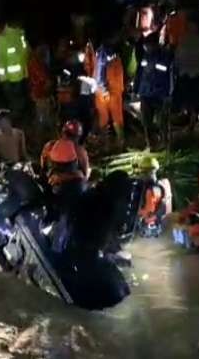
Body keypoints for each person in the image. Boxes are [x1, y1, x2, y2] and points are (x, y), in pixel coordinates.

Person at [40, 120, 91, 252]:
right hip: (70, 192)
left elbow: (43, 167)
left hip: (51, 188)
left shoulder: (49, 146)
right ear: (77, 136)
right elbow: (85, 175)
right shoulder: (79, 151)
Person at [135, 33, 174, 149]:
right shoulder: (145, 56)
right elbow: (139, 74)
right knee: (146, 122)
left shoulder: (166, 57)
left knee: (163, 121)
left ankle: (166, 144)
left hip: (161, 94)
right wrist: (136, 89)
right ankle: (150, 144)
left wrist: (169, 94)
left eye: (148, 45)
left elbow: (171, 76)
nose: (146, 47)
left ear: (155, 44)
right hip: (146, 93)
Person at [174, 16, 199, 129]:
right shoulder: (184, 39)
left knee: (194, 98)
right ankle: (187, 118)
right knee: (186, 97)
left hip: (195, 73)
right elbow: (179, 55)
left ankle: (193, 121)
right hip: (185, 72)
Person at [93, 35, 126, 145]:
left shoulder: (106, 52)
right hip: (109, 90)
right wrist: (103, 88)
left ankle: (108, 143)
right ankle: (118, 142)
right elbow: (99, 72)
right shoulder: (105, 53)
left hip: (108, 89)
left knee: (106, 117)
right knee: (114, 117)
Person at [0, 18, 30, 122]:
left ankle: (15, 120)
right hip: (15, 77)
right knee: (16, 102)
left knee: (16, 102)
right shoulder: (15, 35)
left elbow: (2, 58)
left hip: (15, 77)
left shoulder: (13, 36)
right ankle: (15, 120)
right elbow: (2, 58)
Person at [136, 157, 167, 238]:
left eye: (143, 172)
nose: (141, 175)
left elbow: (150, 209)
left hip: (148, 224)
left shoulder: (151, 189)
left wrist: (140, 214)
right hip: (151, 223)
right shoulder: (156, 187)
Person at [28, 43, 54, 132]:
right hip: (38, 92)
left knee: (46, 110)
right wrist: (46, 82)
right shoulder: (34, 64)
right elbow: (39, 78)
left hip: (43, 92)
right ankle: (39, 130)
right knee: (40, 113)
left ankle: (44, 128)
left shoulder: (42, 64)